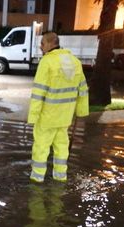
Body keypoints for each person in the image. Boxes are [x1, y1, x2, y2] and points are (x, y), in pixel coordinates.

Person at [28, 32, 89, 183]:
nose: (41, 47)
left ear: (50, 43)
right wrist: (81, 112)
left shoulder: (47, 62)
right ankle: (60, 177)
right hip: (65, 117)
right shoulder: (75, 62)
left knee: (41, 148)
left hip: (47, 117)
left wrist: (33, 116)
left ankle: (37, 179)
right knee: (62, 148)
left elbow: (38, 92)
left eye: (42, 43)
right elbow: (83, 89)